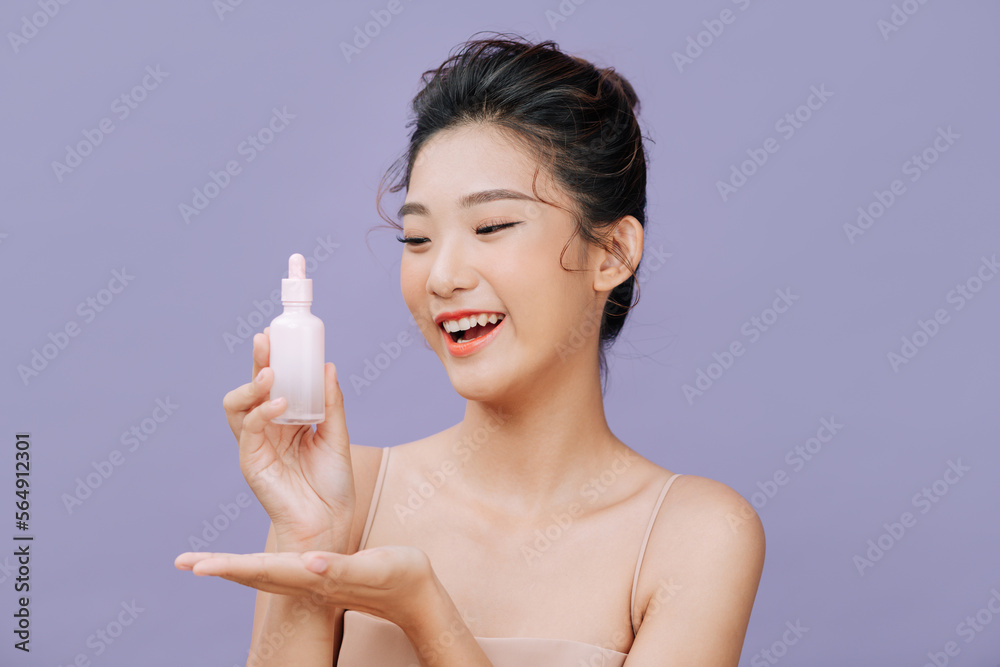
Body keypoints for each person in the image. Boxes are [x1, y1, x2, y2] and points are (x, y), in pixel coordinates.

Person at [175, 32, 765, 666]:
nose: (441, 276)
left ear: (613, 252)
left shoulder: (697, 535)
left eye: (491, 227)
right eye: (418, 237)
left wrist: (427, 616)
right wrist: (305, 534)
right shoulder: (348, 496)